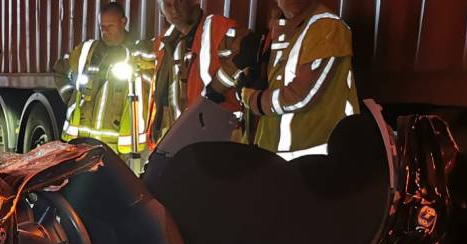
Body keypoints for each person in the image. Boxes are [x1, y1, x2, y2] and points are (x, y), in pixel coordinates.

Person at [237, 0, 359, 159]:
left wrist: (252, 99)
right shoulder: (283, 29)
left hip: (317, 157)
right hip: (280, 155)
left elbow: (300, 96)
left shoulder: (325, 26)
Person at [57, 2, 154, 159]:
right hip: (83, 145)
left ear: (123, 22)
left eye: (110, 26)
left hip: (117, 149)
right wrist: (70, 97)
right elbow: (60, 69)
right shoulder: (87, 51)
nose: (105, 31)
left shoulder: (137, 53)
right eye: (102, 26)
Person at [146, 0, 242, 148]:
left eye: (178, 1)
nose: (174, 9)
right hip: (174, 139)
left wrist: (215, 90)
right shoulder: (165, 41)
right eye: (168, 4)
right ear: (161, 10)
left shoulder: (218, 28)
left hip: (210, 139)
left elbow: (240, 62)